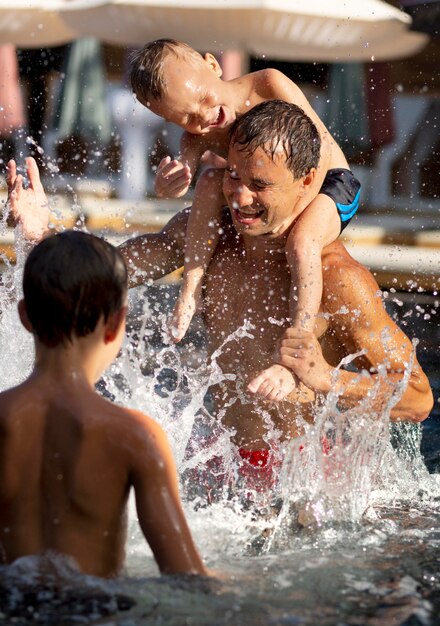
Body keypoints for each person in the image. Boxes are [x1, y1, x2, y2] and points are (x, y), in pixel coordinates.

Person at [6, 100, 433, 493]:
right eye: (233, 175)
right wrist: (42, 236)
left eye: (260, 185)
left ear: (306, 183)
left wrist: (324, 378)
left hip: (313, 477)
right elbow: (106, 272)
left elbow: (417, 398)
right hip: (228, 461)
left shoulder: (339, 279)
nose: (239, 198)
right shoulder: (209, 239)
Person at [130, 39, 361, 407]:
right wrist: (171, 182)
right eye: (186, 118)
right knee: (208, 184)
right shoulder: (198, 130)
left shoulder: (268, 84)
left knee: (301, 245)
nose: (203, 118)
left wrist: (286, 218)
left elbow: (312, 150)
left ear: (213, 64)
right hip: (267, 195)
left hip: (326, 184)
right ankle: (189, 291)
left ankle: (297, 346)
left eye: (204, 98)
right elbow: (187, 165)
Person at [0, 229, 206, 578]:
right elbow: (187, 577)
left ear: (25, 317)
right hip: (96, 611)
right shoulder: (135, 435)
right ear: (115, 324)